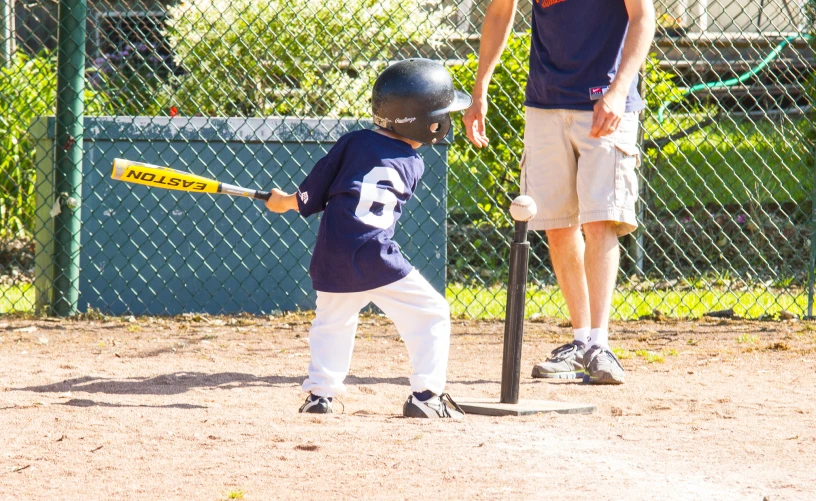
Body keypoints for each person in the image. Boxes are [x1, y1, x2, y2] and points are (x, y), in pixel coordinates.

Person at [463, 0, 655, 384]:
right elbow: (500, 12)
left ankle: (600, 346)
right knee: (557, 226)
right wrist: (479, 88)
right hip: (545, 102)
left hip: (605, 103)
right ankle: (581, 342)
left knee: (600, 221)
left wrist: (618, 92)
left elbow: (643, 16)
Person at [265, 59, 471, 418]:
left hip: (332, 257)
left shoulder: (352, 143)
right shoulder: (414, 163)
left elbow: (308, 198)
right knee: (432, 313)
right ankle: (426, 397)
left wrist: (282, 202)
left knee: (332, 323)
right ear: (422, 122)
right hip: (377, 257)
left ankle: (320, 396)